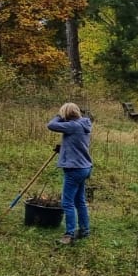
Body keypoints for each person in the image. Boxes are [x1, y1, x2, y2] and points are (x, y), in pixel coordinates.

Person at [47, 102, 92, 245]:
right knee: (80, 201)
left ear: (66, 114)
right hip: (84, 167)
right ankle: (84, 230)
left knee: (67, 203)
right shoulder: (83, 125)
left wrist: (59, 116)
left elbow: (51, 125)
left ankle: (69, 235)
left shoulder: (72, 126)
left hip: (74, 169)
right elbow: (76, 144)